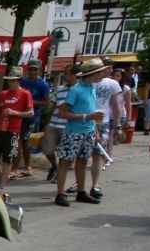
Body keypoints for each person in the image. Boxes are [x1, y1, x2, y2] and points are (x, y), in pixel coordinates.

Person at [54, 58, 107, 206]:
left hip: (88, 131)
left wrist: (95, 130)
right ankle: (60, 193)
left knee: (83, 161)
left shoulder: (92, 88)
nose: (102, 75)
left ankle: (81, 192)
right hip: (74, 132)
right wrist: (85, 117)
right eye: (100, 72)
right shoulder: (76, 90)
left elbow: (91, 111)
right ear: (92, 74)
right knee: (66, 162)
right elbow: (62, 113)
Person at [0, 66, 33, 195]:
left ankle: (1, 188)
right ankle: (1, 176)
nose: (10, 83)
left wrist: (15, 112)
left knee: (8, 160)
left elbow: (31, 112)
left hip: (13, 130)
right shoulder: (3, 94)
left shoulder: (25, 94)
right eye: (9, 80)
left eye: (12, 80)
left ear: (19, 80)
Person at [83, 57, 123, 199]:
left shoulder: (112, 83)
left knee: (98, 154)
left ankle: (95, 185)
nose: (110, 70)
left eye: (111, 67)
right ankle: (79, 183)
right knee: (82, 154)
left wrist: (117, 124)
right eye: (107, 67)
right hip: (86, 119)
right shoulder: (89, 82)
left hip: (102, 121)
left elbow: (115, 105)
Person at [41, 63, 79, 183]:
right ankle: (54, 166)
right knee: (47, 148)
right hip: (54, 123)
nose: (64, 75)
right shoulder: (60, 88)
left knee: (64, 152)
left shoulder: (79, 90)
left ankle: (60, 175)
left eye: (66, 73)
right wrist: (47, 122)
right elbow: (54, 105)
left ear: (74, 75)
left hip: (68, 125)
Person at [14, 59, 50, 178]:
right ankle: (19, 166)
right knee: (18, 140)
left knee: (23, 142)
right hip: (19, 114)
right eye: (30, 69)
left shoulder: (43, 84)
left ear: (39, 70)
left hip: (32, 116)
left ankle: (25, 167)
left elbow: (47, 103)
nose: (33, 72)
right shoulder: (23, 81)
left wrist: (32, 101)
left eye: (35, 70)